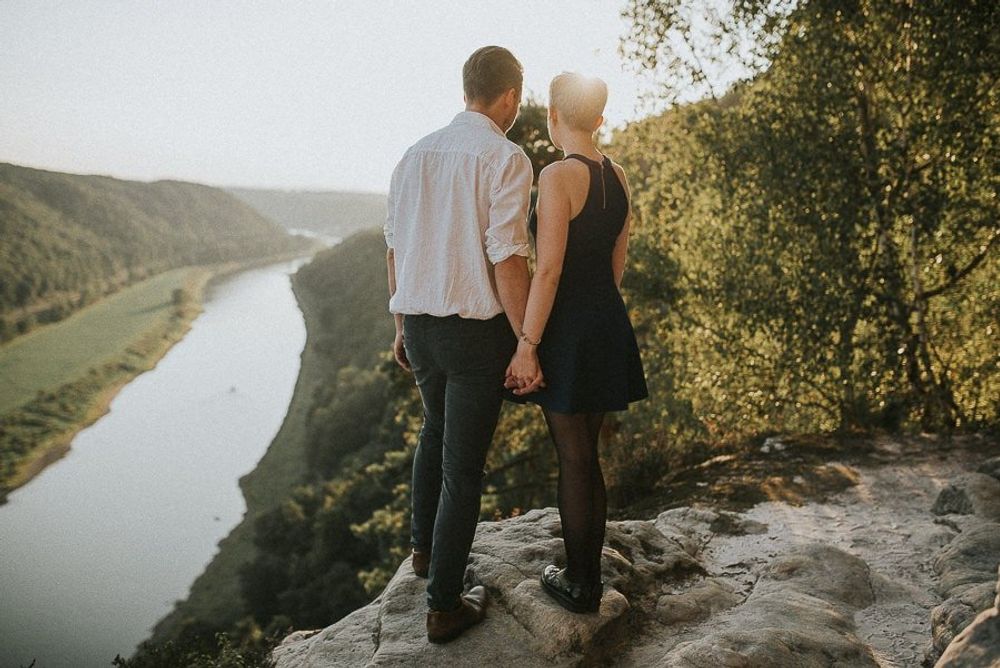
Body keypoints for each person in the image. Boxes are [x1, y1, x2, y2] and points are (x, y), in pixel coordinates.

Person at [384, 45, 537, 643]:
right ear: (509, 97)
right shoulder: (505, 157)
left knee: (434, 433)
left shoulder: (411, 156)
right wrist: (527, 340)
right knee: (463, 469)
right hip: (476, 334)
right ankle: (445, 603)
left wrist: (399, 325)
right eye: (516, 99)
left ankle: (425, 553)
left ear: (465, 89)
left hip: (419, 324)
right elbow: (508, 256)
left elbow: (395, 247)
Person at [504, 72, 649, 614]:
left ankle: (581, 584)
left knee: (574, 457)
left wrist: (527, 343)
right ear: (601, 119)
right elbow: (618, 262)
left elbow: (547, 271)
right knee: (588, 455)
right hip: (606, 321)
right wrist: (600, 316)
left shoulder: (558, 175)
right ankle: (586, 574)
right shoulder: (619, 176)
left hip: (567, 329)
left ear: (554, 118)